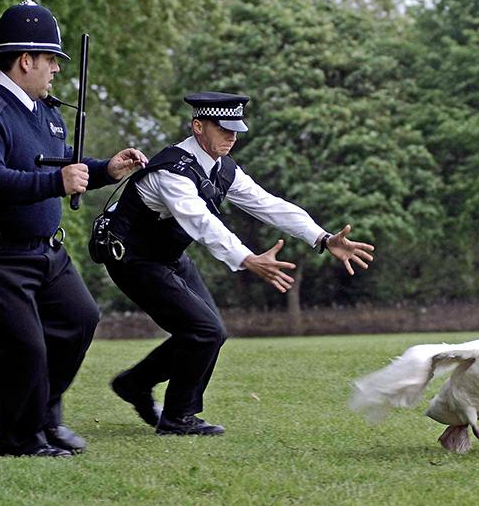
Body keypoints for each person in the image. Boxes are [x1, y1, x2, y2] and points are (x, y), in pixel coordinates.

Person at [0, 0, 148, 457]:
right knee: (22, 348)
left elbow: (61, 169)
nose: (57, 71)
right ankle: (21, 439)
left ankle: (44, 416)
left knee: (78, 320)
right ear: (26, 60)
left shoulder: (45, 112)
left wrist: (107, 170)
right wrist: (55, 182)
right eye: (51, 60)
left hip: (40, 249)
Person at [105, 91, 374, 436]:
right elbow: (202, 223)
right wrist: (246, 258)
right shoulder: (173, 172)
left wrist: (322, 237)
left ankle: (135, 384)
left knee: (210, 332)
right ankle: (176, 418)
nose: (232, 137)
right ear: (198, 126)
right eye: (224, 129)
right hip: (132, 259)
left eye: (235, 130)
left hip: (167, 256)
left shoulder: (220, 168)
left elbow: (268, 204)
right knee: (205, 331)